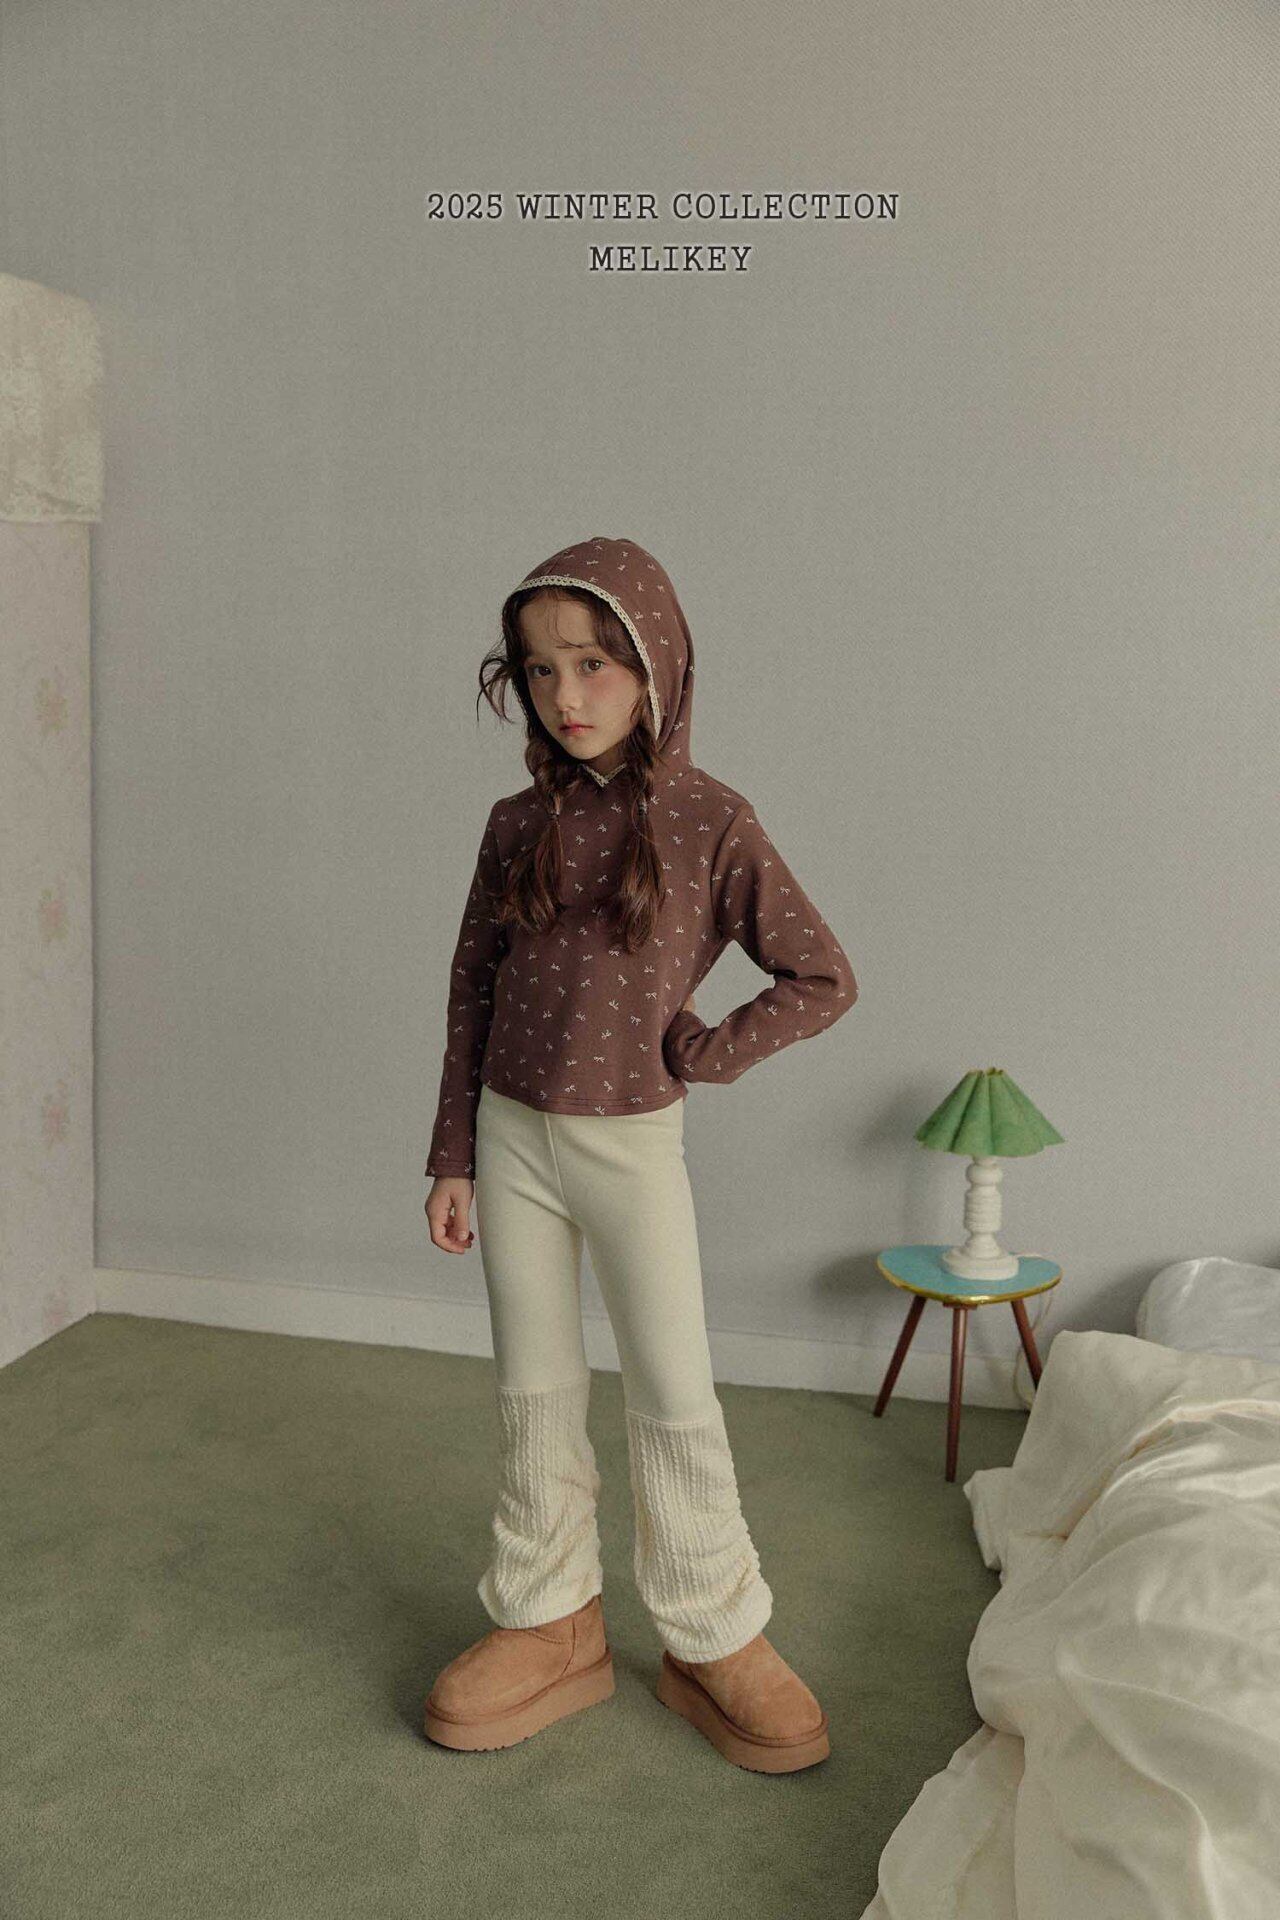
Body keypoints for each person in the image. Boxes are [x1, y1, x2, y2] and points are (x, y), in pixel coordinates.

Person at [421, 535, 857, 1773]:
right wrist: (452, 1153)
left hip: (630, 1144)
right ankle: (547, 1616)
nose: (566, 695)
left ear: (654, 663)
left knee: (671, 1386)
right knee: (534, 1385)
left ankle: (712, 1631)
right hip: (509, 1138)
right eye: (540, 668)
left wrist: (706, 1053)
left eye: (594, 664)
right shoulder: (514, 823)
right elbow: (470, 987)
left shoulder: (711, 819)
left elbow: (819, 974)